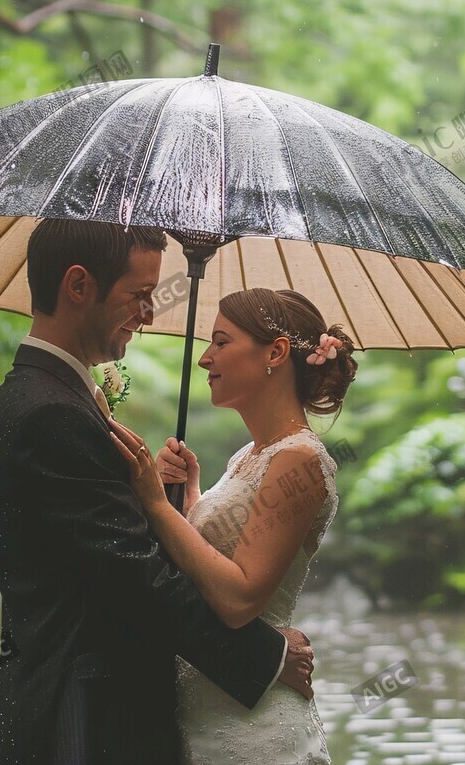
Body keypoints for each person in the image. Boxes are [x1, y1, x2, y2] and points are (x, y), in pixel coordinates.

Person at [0, 220, 315, 765]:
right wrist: (268, 656)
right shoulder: (51, 413)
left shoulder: (51, 398)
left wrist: (159, 504)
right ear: (79, 285)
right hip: (86, 716)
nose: (150, 315)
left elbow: (95, 547)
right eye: (139, 295)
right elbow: (134, 580)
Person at [109, 287, 358, 765]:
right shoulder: (249, 456)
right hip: (208, 707)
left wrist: (156, 504)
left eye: (221, 342)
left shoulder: (299, 461)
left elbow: (239, 598)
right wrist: (191, 495)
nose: (204, 358)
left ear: (276, 353)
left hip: (252, 728)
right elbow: (214, 560)